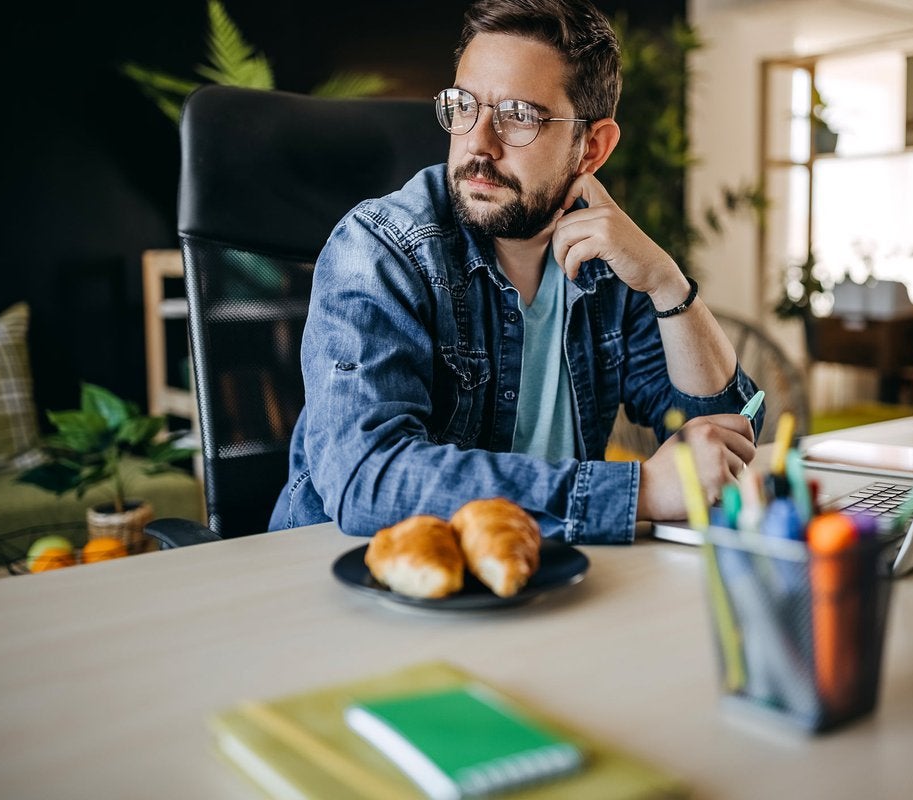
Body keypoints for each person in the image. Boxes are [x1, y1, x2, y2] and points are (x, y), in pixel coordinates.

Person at [269, 0, 765, 543]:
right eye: (464, 106)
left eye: (518, 116)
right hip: (354, 581)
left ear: (591, 148)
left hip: (540, 579)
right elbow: (366, 478)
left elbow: (727, 433)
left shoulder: (610, 261)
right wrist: (638, 491)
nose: (478, 144)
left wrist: (668, 284)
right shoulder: (381, 248)